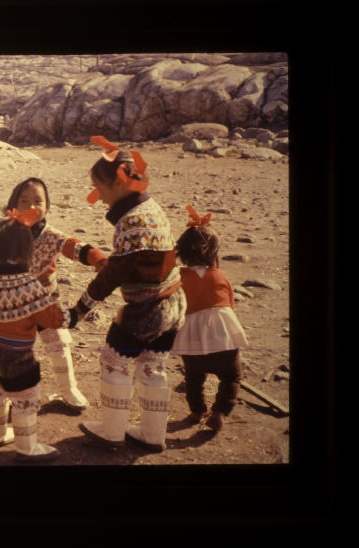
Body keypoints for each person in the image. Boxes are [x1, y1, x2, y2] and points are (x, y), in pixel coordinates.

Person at [69, 136, 186, 452]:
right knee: (153, 365)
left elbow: (114, 276)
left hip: (146, 308)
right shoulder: (151, 207)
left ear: (119, 183)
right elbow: (140, 260)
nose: (100, 197)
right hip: (173, 302)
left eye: (102, 189)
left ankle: (112, 431)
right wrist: (115, 263)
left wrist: (78, 311)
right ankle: (152, 434)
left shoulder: (131, 222)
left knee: (114, 360)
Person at [0, 209, 75, 462]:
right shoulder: (29, 286)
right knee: (25, 399)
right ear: (24, 251)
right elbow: (55, 318)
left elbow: (5, 289)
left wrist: (37, 279)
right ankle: (27, 447)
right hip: (16, 356)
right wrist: (80, 308)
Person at [5, 177, 108, 412]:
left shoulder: (50, 235)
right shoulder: (5, 233)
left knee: (59, 345)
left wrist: (97, 258)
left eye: (38, 201)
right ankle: (15, 394)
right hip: (14, 306)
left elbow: (72, 246)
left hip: (47, 304)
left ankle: (68, 389)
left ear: (47, 207)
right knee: (17, 350)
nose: (31, 206)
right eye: (24, 201)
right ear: (13, 206)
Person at [171, 205, 248, 431]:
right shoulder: (221, 276)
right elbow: (229, 305)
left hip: (192, 342)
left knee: (194, 378)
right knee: (232, 376)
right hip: (222, 341)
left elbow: (176, 307)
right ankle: (220, 411)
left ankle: (197, 410)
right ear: (214, 253)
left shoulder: (179, 278)